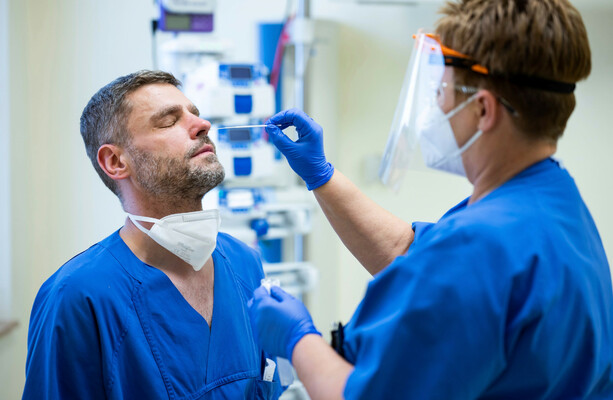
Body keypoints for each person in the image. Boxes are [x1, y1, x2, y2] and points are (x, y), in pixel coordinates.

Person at [248, 0, 613, 399]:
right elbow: (412, 254)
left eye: (442, 90)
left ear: (483, 109)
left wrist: (299, 340)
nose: (436, 106)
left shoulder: (480, 248)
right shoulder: (553, 204)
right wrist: (322, 176)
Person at [23, 70, 284, 399]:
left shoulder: (246, 264)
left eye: (195, 114)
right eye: (169, 121)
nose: (202, 126)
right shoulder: (77, 297)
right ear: (116, 161)